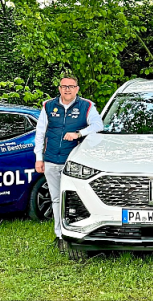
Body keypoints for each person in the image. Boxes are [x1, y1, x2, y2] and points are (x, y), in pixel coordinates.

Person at [34, 74, 103, 246]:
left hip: (73, 163)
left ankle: (77, 232)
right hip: (50, 159)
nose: (67, 90)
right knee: (56, 199)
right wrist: (39, 158)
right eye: (64, 86)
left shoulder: (86, 106)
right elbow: (40, 133)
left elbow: (98, 125)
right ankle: (60, 235)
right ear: (59, 89)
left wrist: (79, 134)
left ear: (77, 89)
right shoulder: (48, 106)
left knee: (74, 199)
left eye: (71, 86)